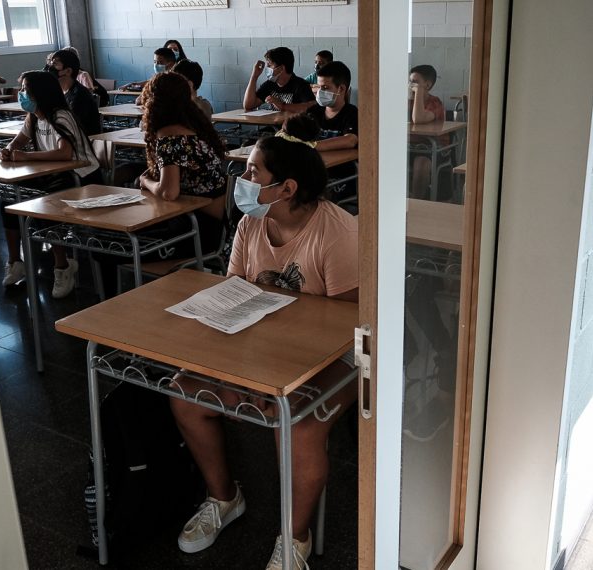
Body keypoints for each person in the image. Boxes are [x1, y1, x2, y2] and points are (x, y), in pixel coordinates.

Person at [169, 131, 358, 570]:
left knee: (299, 423)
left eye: (253, 171)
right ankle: (224, 498)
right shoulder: (251, 223)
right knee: (184, 392)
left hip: (335, 355)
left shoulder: (338, 233)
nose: (243, 178)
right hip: (260, 344)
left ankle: (295, 538)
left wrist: (276, 381)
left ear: (287, 188)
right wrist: (244, 370)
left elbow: (345, 329)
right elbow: (235, 293)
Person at [0, 71, 102, 298]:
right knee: (8, 202)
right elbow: (19, 141)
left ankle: (63, 266)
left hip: (80, 176)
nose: (21, 94)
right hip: (54, 174)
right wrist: (8, 150)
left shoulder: (61, 116)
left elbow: (65, 153)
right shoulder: (34, 117)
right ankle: (15, 262)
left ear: (41, 93)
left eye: (26, 90)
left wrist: (26, 156)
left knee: (45, 205)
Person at [136, 72, 228, 254]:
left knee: (113, 246)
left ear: (153, 102)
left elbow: (169, 193)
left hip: (199, 232)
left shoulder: (170, 137)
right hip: (212, 225)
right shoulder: (196, 127)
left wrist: (145, 181)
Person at [408, 64, 447, 200]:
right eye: (410, 82)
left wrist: (418, 92)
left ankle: (416, 203)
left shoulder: (435, 103)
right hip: (409, 147)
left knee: (421, 163)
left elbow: (418, 119)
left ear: (428, 85)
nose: (411, 86)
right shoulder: (408, 101)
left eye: (415, 82)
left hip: (432, 149)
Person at [242, 47, 316, 113]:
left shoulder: (301, 85)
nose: (267, 68)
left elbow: (311, 107)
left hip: (293, 124)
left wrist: (282, 106)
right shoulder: (269, 84)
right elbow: (248, 105)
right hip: (274, 123)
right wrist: (254, 76)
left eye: (270, 65)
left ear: (281, 68)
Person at [305, 61, 357, 151]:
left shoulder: (352, 113)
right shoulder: (313, 111)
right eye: (319, 87)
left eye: (325, 87)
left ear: (341, 89)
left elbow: (350, 140)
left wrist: (311, 146)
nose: (319, 92)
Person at [47, 49, 101, 136]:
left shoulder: (80, 96)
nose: (50, 68)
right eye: (51, 63)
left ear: (68, 71)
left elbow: (71, 127)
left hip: (82, 141)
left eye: (55, 64)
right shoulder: (61, 93)